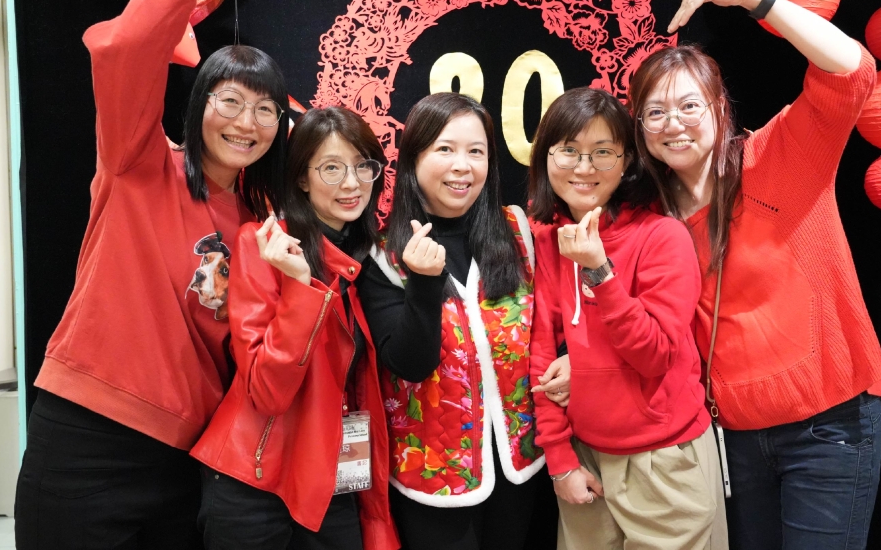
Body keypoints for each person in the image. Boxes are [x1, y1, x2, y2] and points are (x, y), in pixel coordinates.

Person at [14, 0, 316, 550]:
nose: (246, 122)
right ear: (198, 103)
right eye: (229, 100)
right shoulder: (139, 161)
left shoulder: (264, 226)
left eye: (265, 109)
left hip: (188, 460)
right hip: (87, 437)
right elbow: (124, 49)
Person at [628, 0, 881, 550]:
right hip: (732, 440)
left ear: (719, 107)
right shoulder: (650, 217)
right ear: (640, 129)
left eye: (689, 105)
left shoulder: (778, 157)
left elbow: (853, 71)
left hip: (829, 425)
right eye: (655, 112)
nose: (673, 123)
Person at [358, 92, 566, 550]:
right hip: (434, 479)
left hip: (522, 465)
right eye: (445, 149)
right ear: (414, 159)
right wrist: (423, 283)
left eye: (476, 151)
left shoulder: (518, 231)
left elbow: (554, 322)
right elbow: (410, 365)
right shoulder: (383, 255)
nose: (462, 166)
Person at [527, 87, 727, 550]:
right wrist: (559, 458)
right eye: (568, 151)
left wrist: (599, 270)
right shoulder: (546, 240)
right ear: (546, 157)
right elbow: (540, 354)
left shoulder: (662, 237)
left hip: (663, 458)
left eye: (602, 152)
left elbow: (655, 355)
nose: (584, 168)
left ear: (627, 162)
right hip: (584, 459)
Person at [191, 107, 398, 550]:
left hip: (333, 475)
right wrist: (300, 287)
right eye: (331, 168)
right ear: (302, 178)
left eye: (363, 166)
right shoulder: (264, 245)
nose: (351, 183)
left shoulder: (371, 258)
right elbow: (268, 392)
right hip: (255, 477)